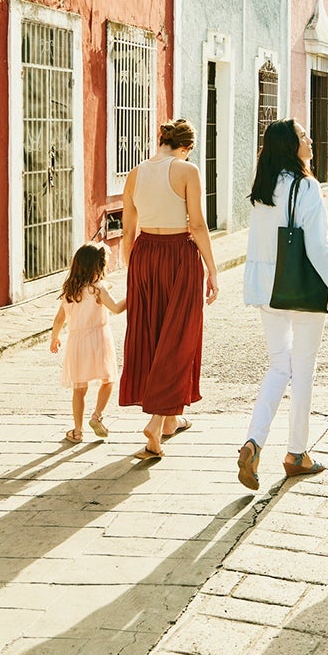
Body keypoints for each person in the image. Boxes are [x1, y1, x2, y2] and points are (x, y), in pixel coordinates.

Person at [237, 120, 328, 490]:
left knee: (278, 366)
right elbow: (318, 251)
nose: (311, 138)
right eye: (303, 135)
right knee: (302, 371)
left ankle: (254, 441)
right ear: (290, 145)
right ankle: (296, 454)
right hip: (300, 291)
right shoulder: (306, 187)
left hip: (267, 291)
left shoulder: (263, 188)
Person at [120, 118, 219, 457]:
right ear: (187, 147)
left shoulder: (135, 173)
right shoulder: (187, 171)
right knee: (179, 337)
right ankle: (157, 419)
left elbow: (128, 230)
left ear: (161, 139)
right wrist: (212, 269)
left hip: (145, 256)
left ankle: (173, 418)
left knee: (154, 334)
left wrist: (132, 271)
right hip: (179, 256)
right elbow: (198, 224)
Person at [49, 242, 126, 444]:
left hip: (77, 342)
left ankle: (77, 431)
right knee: (108, 379)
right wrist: (133, 295)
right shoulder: (99, 289)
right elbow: (116, 308)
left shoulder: (70, 291)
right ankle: (97, 416)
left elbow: (59, 319)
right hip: (99, 339)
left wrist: (54, 337)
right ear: (97, 267)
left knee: (79, 389)